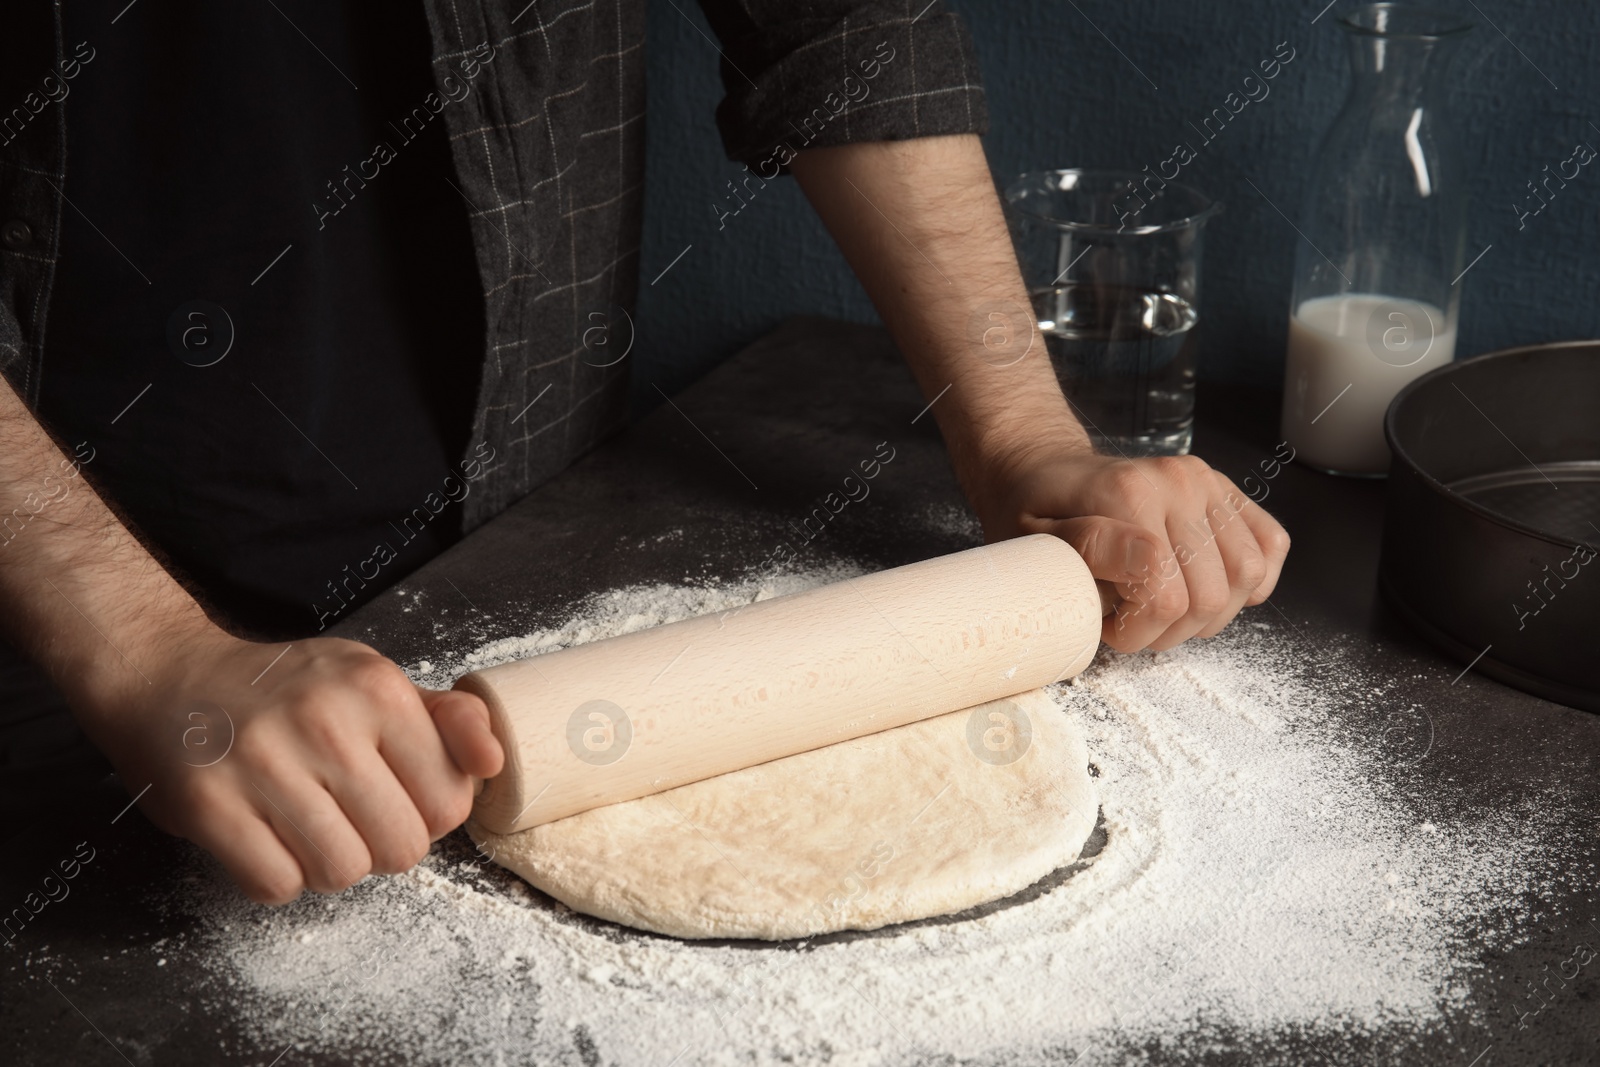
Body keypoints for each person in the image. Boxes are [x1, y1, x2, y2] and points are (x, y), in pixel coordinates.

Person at [0, 2, 1288, 904]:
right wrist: (146, 647)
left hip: (526, 514)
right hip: (60, 594)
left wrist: (1023, 436)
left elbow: (841, 23)